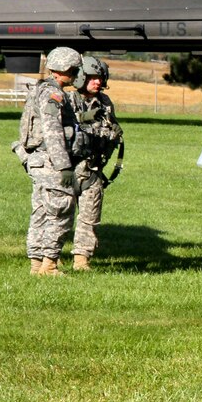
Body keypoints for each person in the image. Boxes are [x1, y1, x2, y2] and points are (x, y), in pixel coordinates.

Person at [12, 46, 85, 276]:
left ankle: (37, 264)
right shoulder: (53, 94)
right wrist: (64, 166)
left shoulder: (42, 90)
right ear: (65, 69)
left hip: (40, 160)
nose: (76, 75)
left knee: (42, 213)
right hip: (51, 162)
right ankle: (49, 265)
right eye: (74, 70)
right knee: (61, 212)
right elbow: (53, 131)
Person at [68, 56, 123, 272]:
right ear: (81, 77)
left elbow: (111, 128)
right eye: (92, 77)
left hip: (92, 169)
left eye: (100, 78)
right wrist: (84, 117)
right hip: (68, 168)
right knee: (60, 215)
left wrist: (115, 132)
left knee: (90, 216)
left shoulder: (105, 102)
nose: (97, 82)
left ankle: (82, 260)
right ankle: (50, 258)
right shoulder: (68, 99)